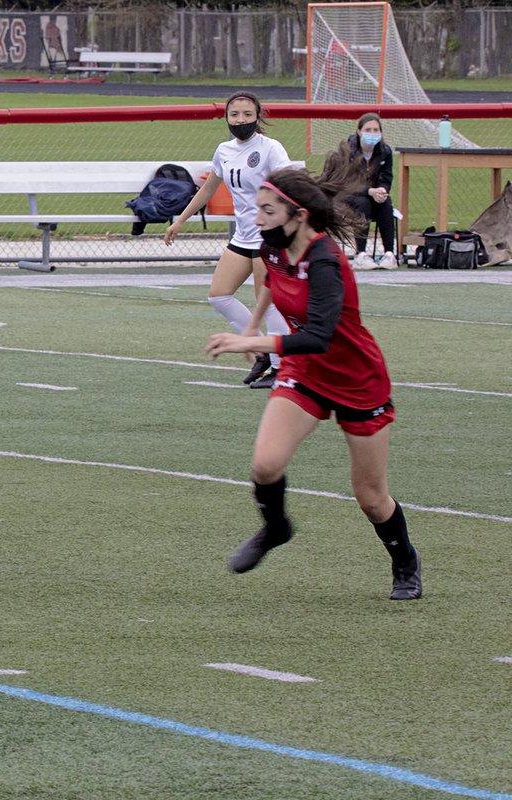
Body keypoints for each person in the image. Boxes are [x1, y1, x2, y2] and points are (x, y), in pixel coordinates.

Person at [203, 166, 421, 601]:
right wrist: (251, 325)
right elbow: (272, 284)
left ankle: (405, 562)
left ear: (297, 215)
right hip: (306, 373)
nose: (257, 218)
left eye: (267, 210)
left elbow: (317, 337)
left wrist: (252, 340)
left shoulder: (326, 261)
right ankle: (277, 527)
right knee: (265, 464)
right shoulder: (271, 245)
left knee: (371, 497)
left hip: (356, 379)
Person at [164, 92, 293, 389]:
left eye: (247, 114)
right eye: (234, 114)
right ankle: (260, 350)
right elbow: (209, 188)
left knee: (268, 302)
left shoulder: (270, 148)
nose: (240, 120)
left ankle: (279, 368)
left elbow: (290, 184)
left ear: (258, 116)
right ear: (226, 117)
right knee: (219, 295)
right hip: (243, 236)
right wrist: (180, 220)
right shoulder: (224, 150)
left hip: (267, 237)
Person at [331, 112, 397, 270]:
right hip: (347, 197)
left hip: (373, 195)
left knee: (385, 202)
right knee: (363, 203)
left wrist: (382, 189)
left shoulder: (385, 152)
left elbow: (386, 177)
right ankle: (360, 254)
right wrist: (369, 191)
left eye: (376, 130)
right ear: (359, 131)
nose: (372, 134)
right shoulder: (347, 150)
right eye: (368, 130)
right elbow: (346, 181)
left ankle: (390, 254)